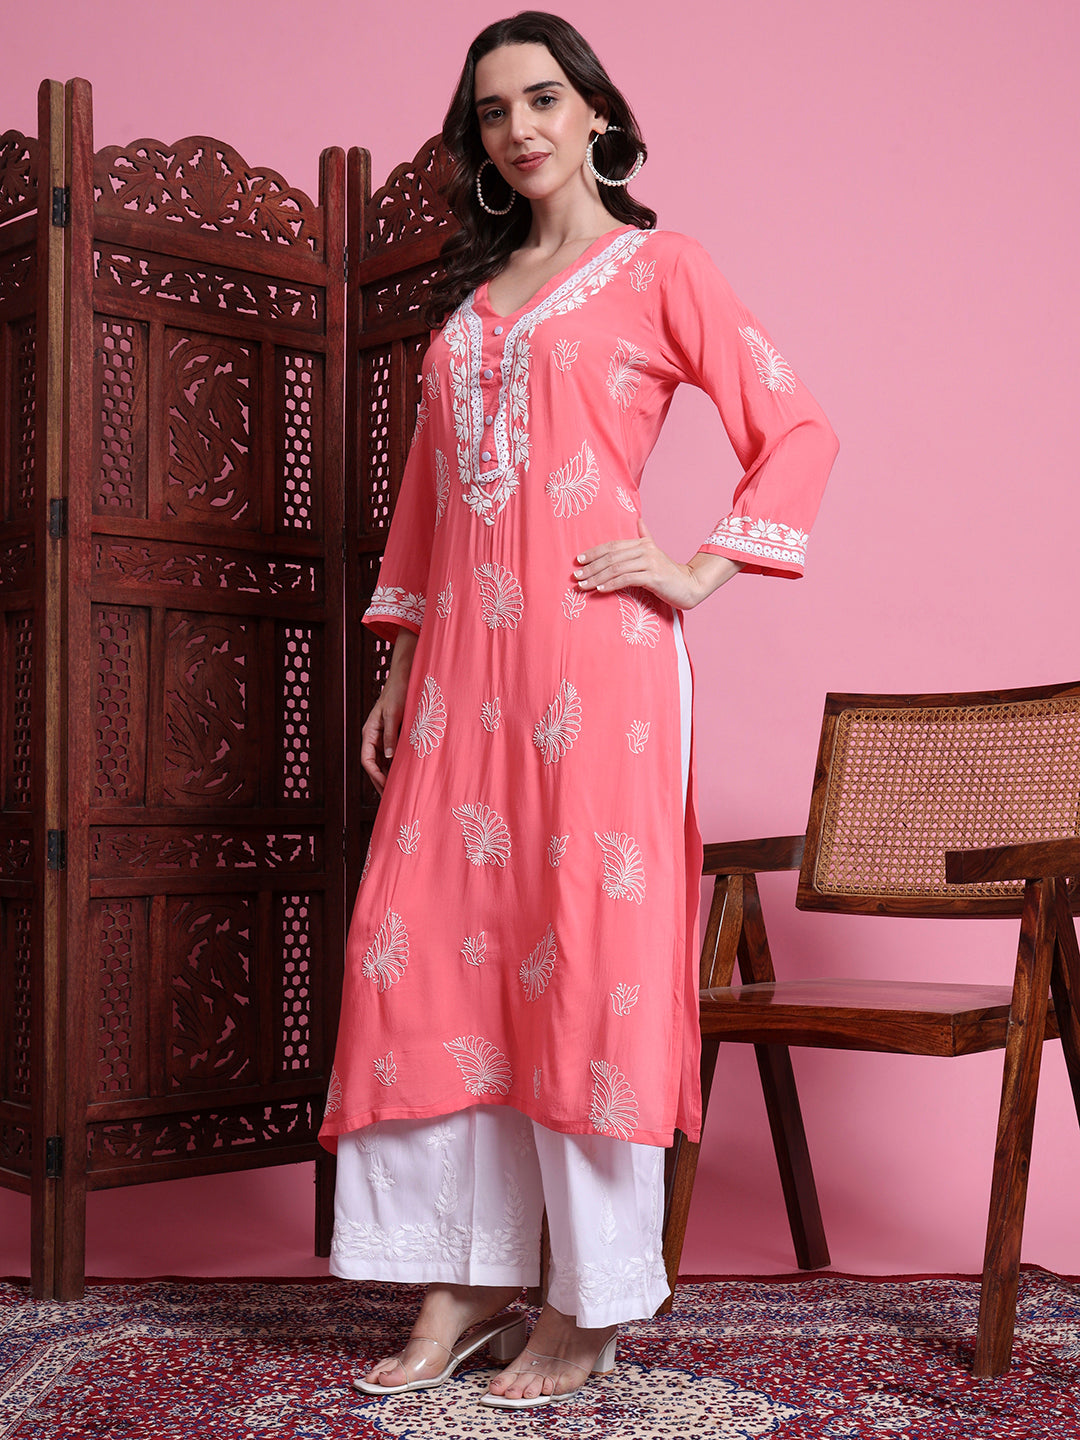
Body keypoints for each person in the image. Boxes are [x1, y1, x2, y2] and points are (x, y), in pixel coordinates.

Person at [319, 10, 838, 1409]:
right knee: (427, 951)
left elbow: (796, 427)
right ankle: (466, 1269)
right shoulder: (470, 304)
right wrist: (398, 667)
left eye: (543, 98)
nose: (520, 128)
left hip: (595, 665)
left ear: (597, 110)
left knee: (580, 960)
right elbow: (433, 510)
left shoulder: (660, 267)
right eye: (492, 112)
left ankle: (589, 1299)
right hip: (460, 678)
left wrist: (695, 570)